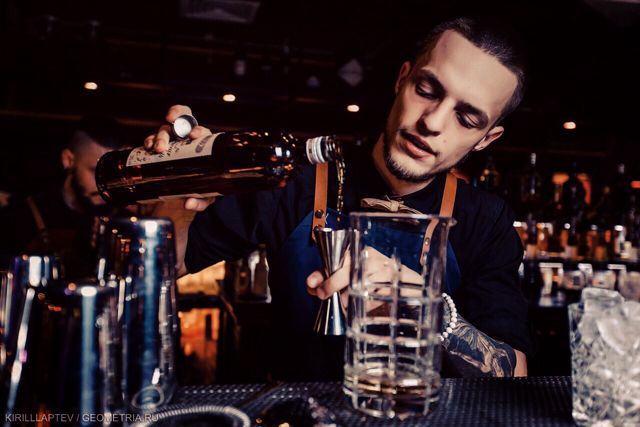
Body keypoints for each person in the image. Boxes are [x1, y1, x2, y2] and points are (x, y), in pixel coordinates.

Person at [145, 16, 531, 380]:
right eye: (427, 90)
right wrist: (175, 193)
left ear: (486, 139)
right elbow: (168, 266)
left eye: (466, 119)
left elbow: (515, 373)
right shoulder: (295, 180)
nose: (432, 122)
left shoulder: (486, 220)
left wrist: (427, 310)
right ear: (402, 78)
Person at [0, 115, 130, 277]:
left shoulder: (123, 223)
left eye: (113, 175)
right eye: (95, 171)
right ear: (68, 160)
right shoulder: (23, 216)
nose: (105, 185)